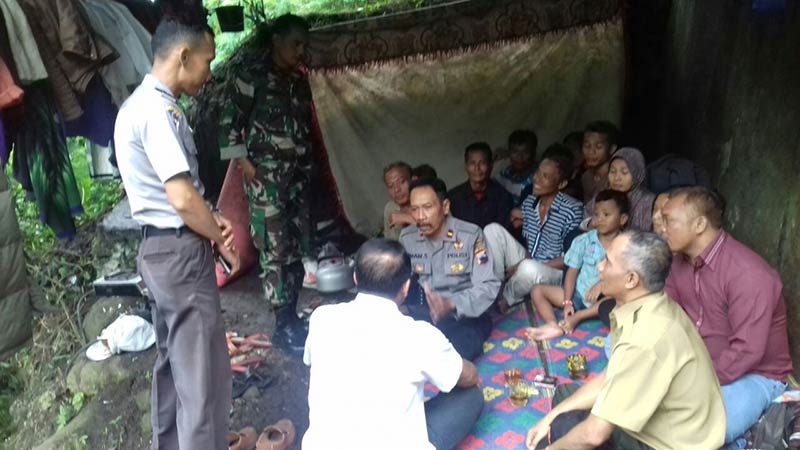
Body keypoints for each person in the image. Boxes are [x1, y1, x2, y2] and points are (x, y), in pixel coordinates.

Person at [114, 16, 241, 450]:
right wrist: (222, 239)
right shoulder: (157, 110)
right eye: (207, 60)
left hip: (159, 250)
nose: (210, 72)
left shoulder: (136, 106)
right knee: (203, 379)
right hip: (180, 255)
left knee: (174, 368)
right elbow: (182, 198)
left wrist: (211, 216)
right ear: (183, 55)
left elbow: (186, 200)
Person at [526, 232, 726, 450]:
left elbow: (594, 434)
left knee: (566, 427)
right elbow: (611, 375)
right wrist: (549, 417)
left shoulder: (646, 337)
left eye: (608, 262)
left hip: (665, 444)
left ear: (631, 279)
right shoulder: (647, 304)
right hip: (661, 426)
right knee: (564, 402)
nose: (599, 267)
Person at [303, 239, 484, 450]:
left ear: (354, 278)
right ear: (406, 287)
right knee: (471, 395)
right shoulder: (419, 336)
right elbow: (470, 376)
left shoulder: (322, 319)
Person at [661, 186, 792, 446]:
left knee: (698, 433)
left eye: (668, 221)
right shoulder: (679, 262)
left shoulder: (749, 274)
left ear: (699, 224)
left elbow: (746, 352)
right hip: (701, 358)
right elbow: (666, 313)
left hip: (756, 374)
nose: (661, 228)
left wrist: (691, 382)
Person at [217, 14, 313, 353]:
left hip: (297, 178)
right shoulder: (252, 77)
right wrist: (246, 166)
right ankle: (282, 322)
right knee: (274, 249)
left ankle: (293, 313)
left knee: (297, 244)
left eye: (304, 44)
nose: (300, 50)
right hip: (266, 183)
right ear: (276, 40)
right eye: (295, 43)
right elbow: (228, 126)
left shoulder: (297, 81)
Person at [400, 178, 500, 360]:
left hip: (465, 317)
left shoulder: (471, 235)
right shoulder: (408, 238)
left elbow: (488, 285)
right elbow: (400, 282)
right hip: (426, 316)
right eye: (414, 209)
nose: (420, 216)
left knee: (458, 351)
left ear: (445, 206)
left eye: (427, 207)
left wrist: (451, 304)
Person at [526, 190, 629, 340]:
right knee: (537, 291)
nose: (600, 219)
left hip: (603, 299)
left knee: (619, 300)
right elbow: (572, 272)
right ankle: (552, 324)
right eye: (596, 214)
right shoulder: (584, 240)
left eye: (606, 215)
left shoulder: (627, 245)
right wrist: (568, 302)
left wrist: (602, 284)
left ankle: (579, 316)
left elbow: (625, 277)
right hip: (577, 295)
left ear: (623, 219)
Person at [484, 156, 583, 310]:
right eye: (538, 173)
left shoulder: (572, 209)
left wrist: (525, 265)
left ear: (561, 184)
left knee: (529, 269)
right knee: (492, 229)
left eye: (545, 176)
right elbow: (532, 246)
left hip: (555, 271)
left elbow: (570, 258)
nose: (536, 179)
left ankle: (505, 299)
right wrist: (521, 264)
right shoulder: (530, 203)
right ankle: (494, 289)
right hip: (531, 261)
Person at [448, 142, 513, 230]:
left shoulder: (503, 197)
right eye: (472, 163)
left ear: (490, 166)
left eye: (482, 163)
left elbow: (502, 234)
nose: (477, 168)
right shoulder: (453, 197)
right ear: (466, 167)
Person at [580, 120, 618, 205]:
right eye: (587, 146)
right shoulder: (586, 177)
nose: (591, 152)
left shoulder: (617, 179)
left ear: (612, 149)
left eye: (599, 147)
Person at [496, 129, 538, 205]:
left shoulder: (538, 179)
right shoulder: (506, 174)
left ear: (533, 153)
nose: (519, 157)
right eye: (515, 152)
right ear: (509, 153)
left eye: (525, 152)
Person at [382, 161, 414, 240]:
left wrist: (408, 219)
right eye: (391, 186)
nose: (396, 189)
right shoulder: (390, 208)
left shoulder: (428, 202)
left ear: (413, 180)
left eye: (401, 182)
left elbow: (447, 233)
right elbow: (390, 242)